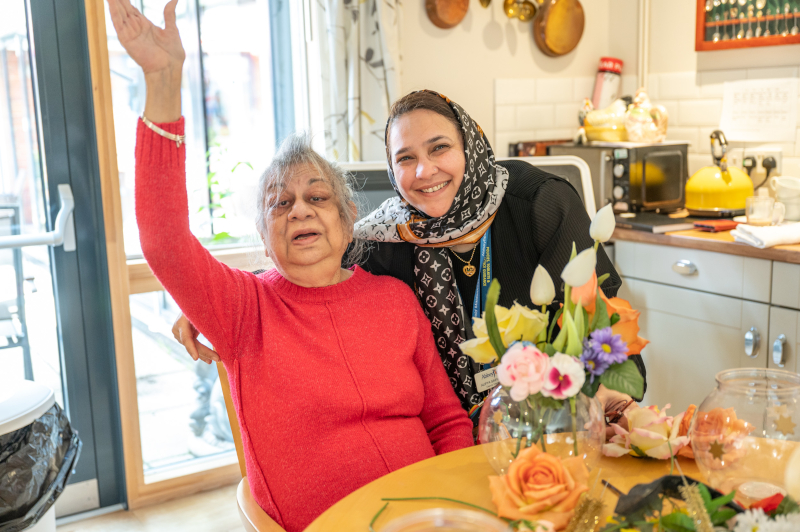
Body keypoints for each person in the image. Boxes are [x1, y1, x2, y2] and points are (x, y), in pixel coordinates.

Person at [106, 1, 474, 530]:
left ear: (349, 221)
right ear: (264, 232)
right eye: (280, 203)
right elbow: (163, 241)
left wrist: (454, 502)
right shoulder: (243, 310)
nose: (299, 208)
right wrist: (164, 84)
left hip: (431, 514)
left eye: (317, 197)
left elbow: (445, 419)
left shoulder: (394, 299)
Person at [175, 90, 646, 425]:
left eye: (439, 147)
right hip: (450, 431)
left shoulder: (540, 202)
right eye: (405, 158)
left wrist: (593, 405)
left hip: (559, 413)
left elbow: (604, 321)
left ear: (470, 145)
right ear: (392, 170)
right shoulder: (388, 235)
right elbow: (316, 261)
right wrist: (217, 303)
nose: (424, 171)